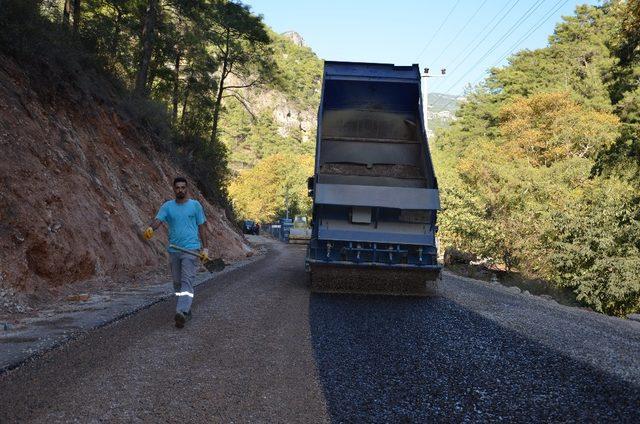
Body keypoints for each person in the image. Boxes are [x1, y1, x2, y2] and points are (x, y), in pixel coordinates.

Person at [143, 177, 208, 328]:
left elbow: (202, 227)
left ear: (187, 188)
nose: (180, 190)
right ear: (174, 189)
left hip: (191, 249)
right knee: (177, 283)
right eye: (177, 187)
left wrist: (205, 248)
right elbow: (158, 220)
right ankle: (186, 310)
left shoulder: (195, 206)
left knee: (186, 281)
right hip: (174, 249)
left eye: (183, 187)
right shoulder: (168, 206)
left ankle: (181, 311)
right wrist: (151, 228)